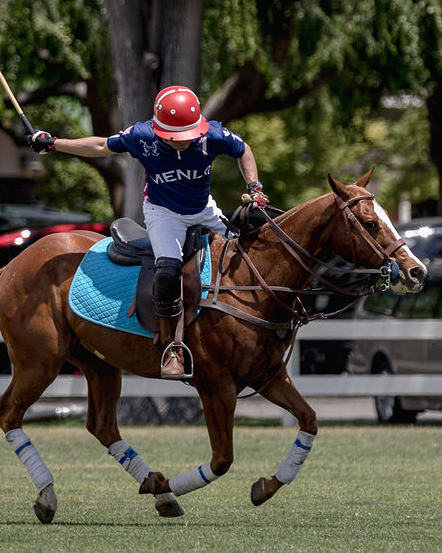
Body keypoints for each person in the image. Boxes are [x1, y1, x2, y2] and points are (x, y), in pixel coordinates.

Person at [28, 85, 268, 378]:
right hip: (163, 213)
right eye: (176, 139)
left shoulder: (212, 135)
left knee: (248, 252)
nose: (183, 143)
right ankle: (172, 347)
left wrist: (254, 188)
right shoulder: (142, 136)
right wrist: (55, 144)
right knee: (167, 271)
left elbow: (244, 150)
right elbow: (101, 146)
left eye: (188, 137)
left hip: (203, 210)